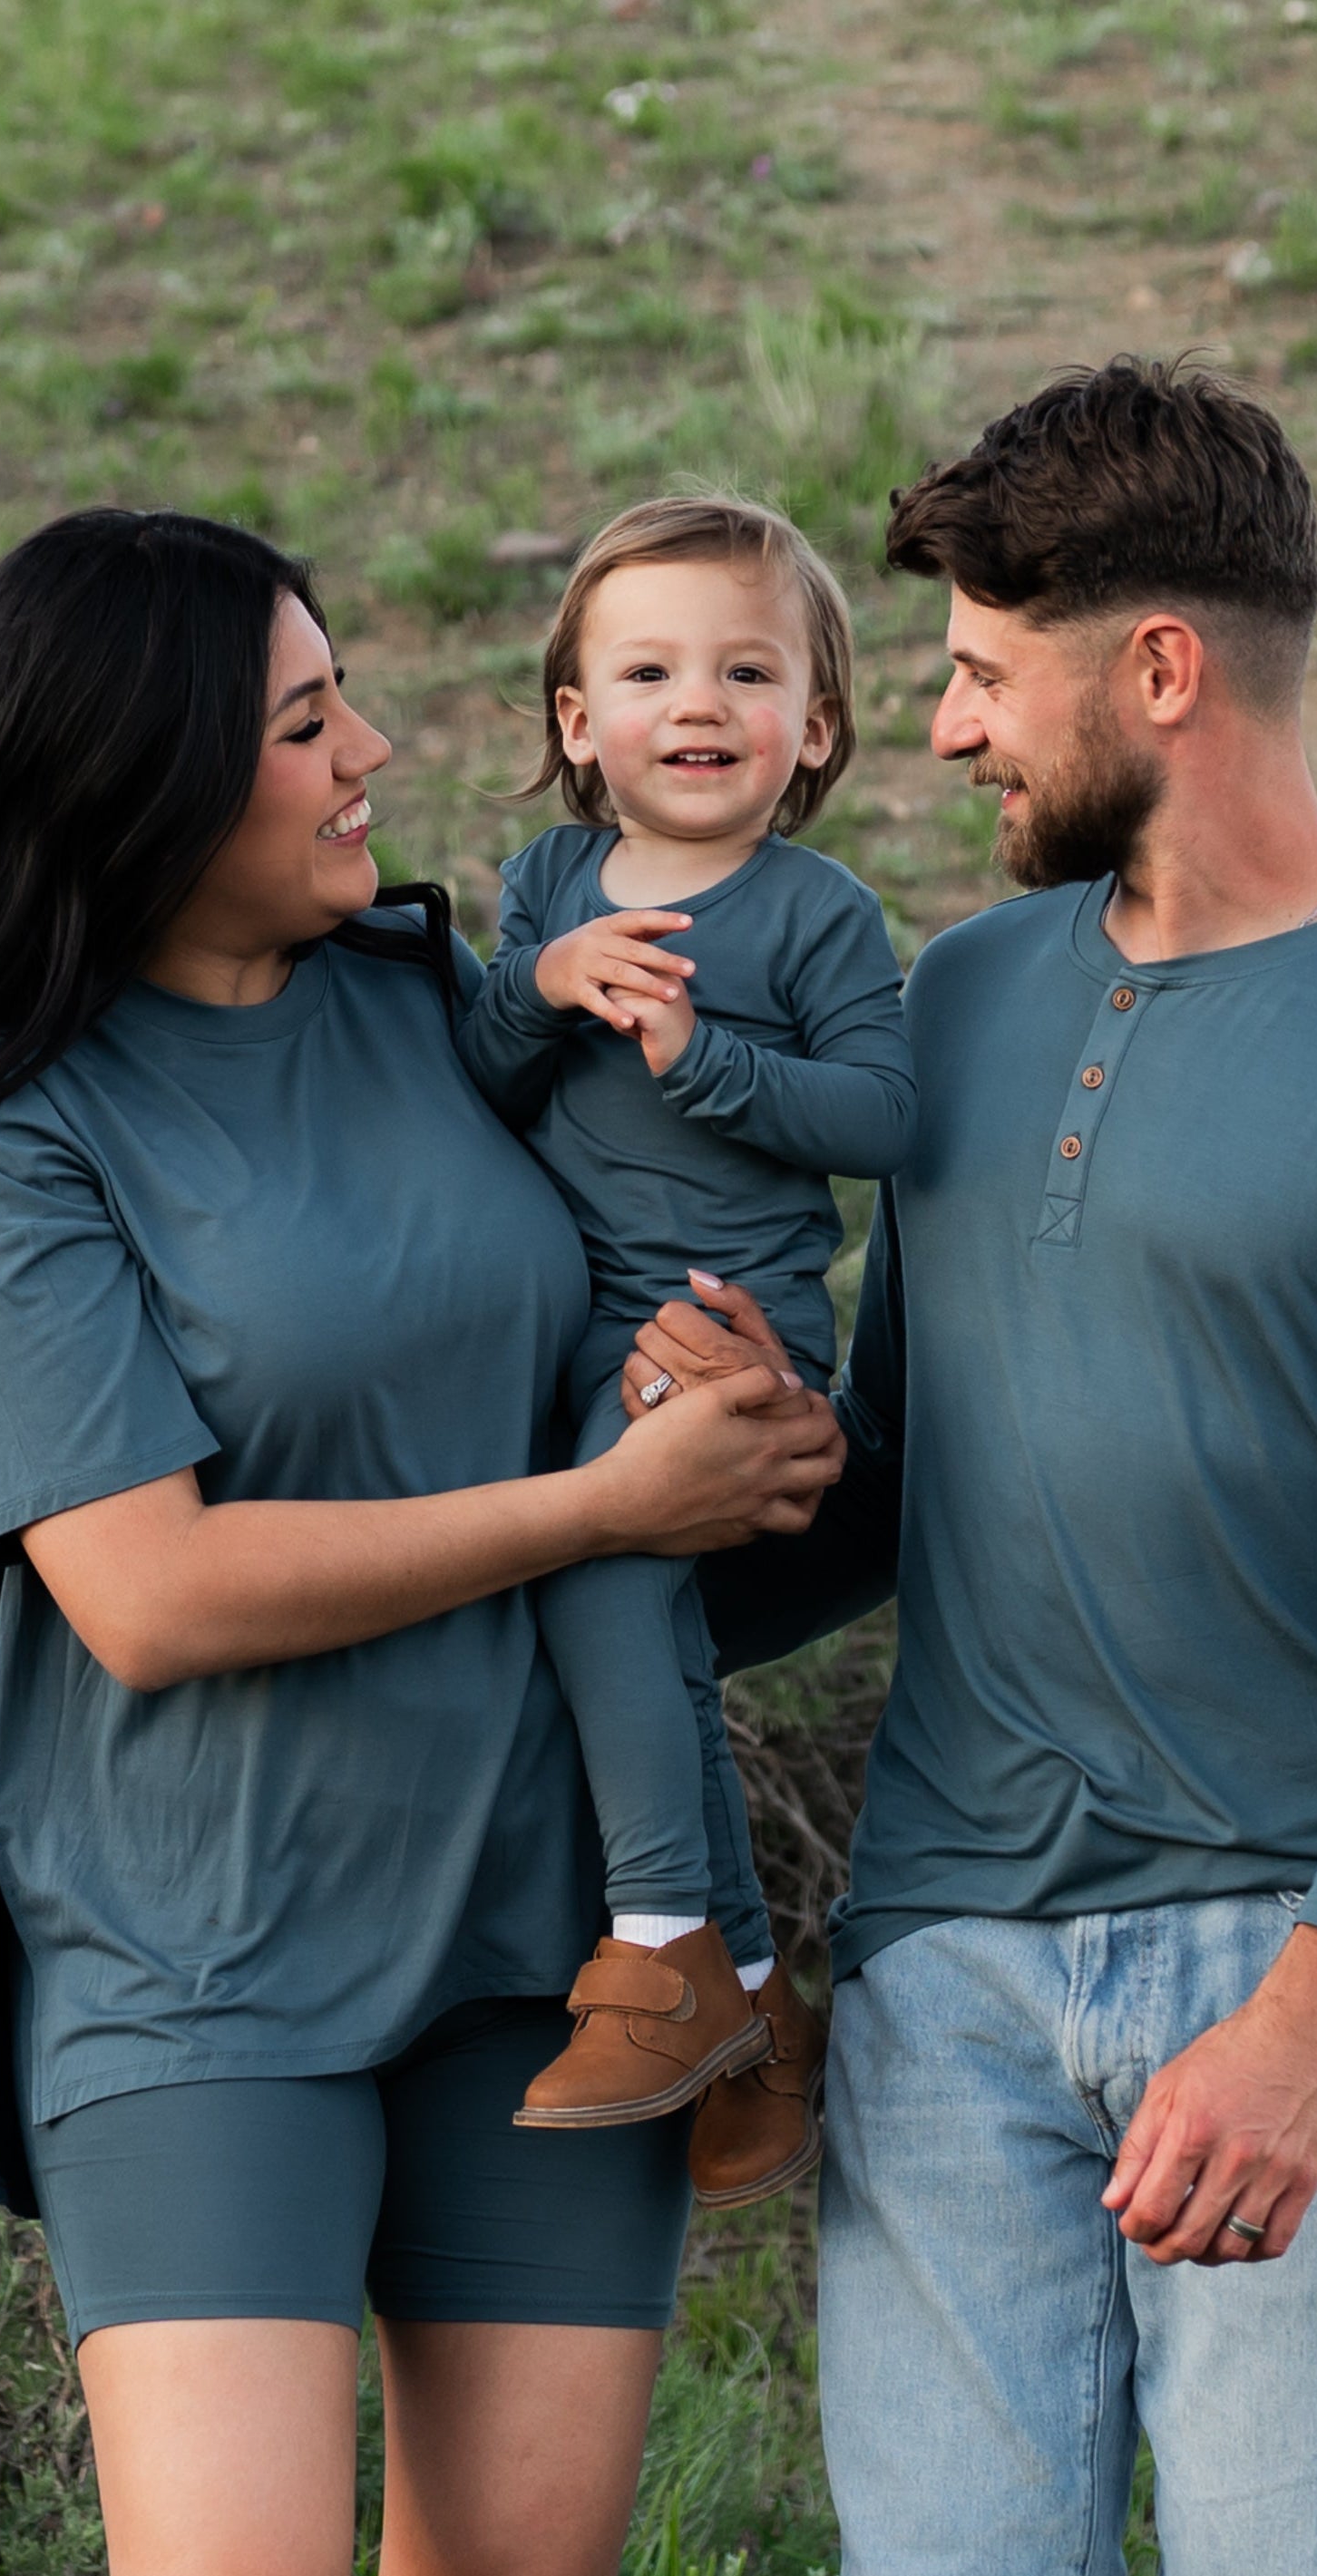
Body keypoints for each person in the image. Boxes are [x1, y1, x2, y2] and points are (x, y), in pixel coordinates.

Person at [620, 359, 1317, 2576]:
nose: (948, 733)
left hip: (1303, 1980)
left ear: (1159, 672)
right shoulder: (957, 1000)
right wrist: (640, 1520)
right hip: (954, 1974)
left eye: (984, 672)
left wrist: (1312, 2025)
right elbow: (903, 1483)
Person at [0, 508, 842, 2576]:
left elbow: (621, 1309)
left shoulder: (427, 1002)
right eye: (305, 722)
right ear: (143, 781)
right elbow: (156, 1593)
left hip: (546, 1959)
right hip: (202, 1971)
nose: (373, 747)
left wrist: (739, 1426)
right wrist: (596, 1507)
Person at [457, 495, 912, 2197]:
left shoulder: (811, 915)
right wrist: (538, 984)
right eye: (648, 670)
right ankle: (746, 2002)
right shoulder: (552, 883)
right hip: (575, 1327)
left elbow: (885, 1114)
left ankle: (659, 1948)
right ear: (581, 724)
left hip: (730, 1335)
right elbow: (484, 1080)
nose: (698, 702)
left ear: (814, 726)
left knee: (601, 1568)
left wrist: (701, 1059)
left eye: (748, 669)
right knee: (639, 1625)